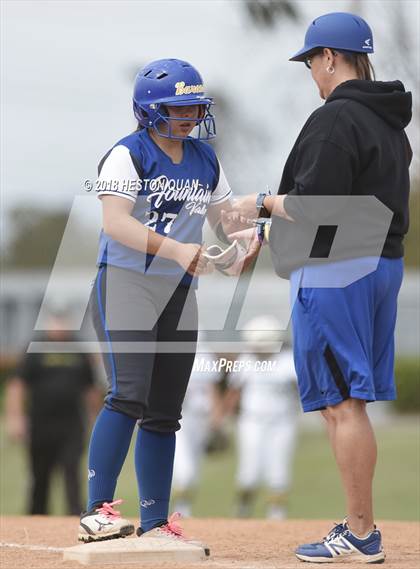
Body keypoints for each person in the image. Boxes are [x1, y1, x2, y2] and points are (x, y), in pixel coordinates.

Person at [228, 12, 412, 564]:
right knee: (348, 401)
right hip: (381, 266)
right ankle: (359, 528)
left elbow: (315, 208)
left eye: (312, 60)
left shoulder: (335, 119)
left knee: (340, 404)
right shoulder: (389, 122)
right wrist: (267, 232)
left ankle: (360, 534)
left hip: (336, 271)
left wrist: (258, 205)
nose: (311, 71)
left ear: (331, 57)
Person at [79, 58, 240, 547]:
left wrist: (243, 242)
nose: (189, 116)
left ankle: (155, 521)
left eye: (195, 106)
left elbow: (227, 217)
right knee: (128, 394)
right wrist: (176, 249)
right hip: (127, 283)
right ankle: (96, 512)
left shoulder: (205, 158)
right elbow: (116, 223)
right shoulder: (129, 153)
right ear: (149, 110)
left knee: (166, 410)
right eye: (178, 106)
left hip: (177, 292)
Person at [5, 309, 101, 515]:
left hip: (72, 425)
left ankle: (76, 518)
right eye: (56, 321)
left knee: (72, 474)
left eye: (63, 321)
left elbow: (91, 389)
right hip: (41, 424)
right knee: (39, 476)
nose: (59, 326)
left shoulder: (79, 350)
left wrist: (96, 421)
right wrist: (15, 418)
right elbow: (17, 385)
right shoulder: (36, 349)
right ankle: (36, 520)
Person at [224, 316, 298, 520]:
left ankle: (276, 513)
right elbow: (234, 392)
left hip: (282, 422)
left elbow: (302, 390)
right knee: (249, 470)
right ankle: (243, 508)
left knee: (279, 469)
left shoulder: (288, 360)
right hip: (251, 421)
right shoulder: (245, 360)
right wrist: (220, 422)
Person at [172, 335, 225, 517]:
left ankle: (183, 508)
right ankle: (178, 509)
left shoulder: (205, 357)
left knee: (194, 465)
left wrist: (216, 419)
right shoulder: (172, 356)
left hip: (201, 417)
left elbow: (212, 389)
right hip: (180, 417)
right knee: (184, 465)